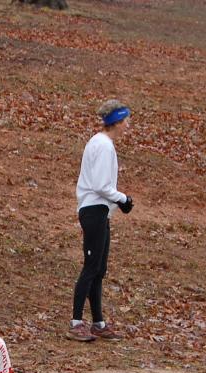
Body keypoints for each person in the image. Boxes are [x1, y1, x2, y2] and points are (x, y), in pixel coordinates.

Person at [70, 99, 134, 343]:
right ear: (116, 122)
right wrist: (123, 199)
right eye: (126, 120)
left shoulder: (100, 143)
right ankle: (76, 322)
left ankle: (98, 322)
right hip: (94, 209)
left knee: (99, 269)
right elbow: (101, 185)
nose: (128, 124)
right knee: (90, 267)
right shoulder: (104, 146)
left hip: (100, 211)